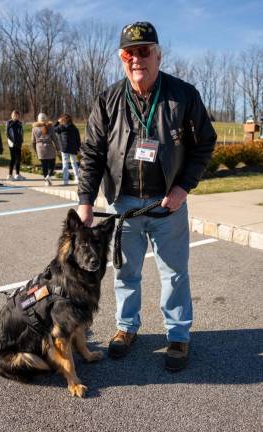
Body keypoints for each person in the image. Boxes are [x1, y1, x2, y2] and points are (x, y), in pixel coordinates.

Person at [77, 22, 217, 371]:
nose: (136, 59)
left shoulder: (182, 95)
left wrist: (183, 188)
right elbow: (92, 152)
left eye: (144, 51)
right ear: (121, 58)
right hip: (122, 205)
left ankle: (178, 335)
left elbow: (205, 143)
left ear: (158, 54)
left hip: (166, 204)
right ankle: (126, 328)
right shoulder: (108, 99)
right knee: (126, 272)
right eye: (129, 53)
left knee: (174, 272)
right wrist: (85, 202)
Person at [31, 113, 59, 186]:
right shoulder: (50, 127)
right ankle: (49, 176)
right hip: (49, 147)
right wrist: (58, 148)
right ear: (46, 119)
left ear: (38, 119)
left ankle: (46, 181)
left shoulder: (34, 129)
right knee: (52, 163)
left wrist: (35, 150)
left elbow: (33, 141)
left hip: (39, 148)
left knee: (44, 165)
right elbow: (55, 139)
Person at [55, 114, 81, 185]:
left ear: (63, 120)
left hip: (64, 148)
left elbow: (54, 129)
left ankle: (65, 180)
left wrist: (57, 122)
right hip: (73, 147)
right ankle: (77, 178)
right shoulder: (74, 128)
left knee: (65, 164)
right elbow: (78, 139)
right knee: (74, 163)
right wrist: (78, 147)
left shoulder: (61, 127)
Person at [6, 110, 25, 180]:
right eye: (14, 115)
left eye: (17, 115)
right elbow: (7, 133)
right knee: (13, 159)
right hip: (12, 143)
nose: (15, 117)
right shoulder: (9, 123)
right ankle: (10, 175)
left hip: (18, 143)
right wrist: (11, 141)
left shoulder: (20, 123)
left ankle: (17, 174)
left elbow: (22, 132)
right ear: (12, 116)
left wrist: (22, 140)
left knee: (18, 159)